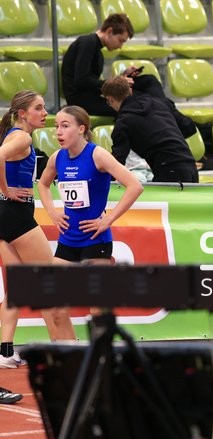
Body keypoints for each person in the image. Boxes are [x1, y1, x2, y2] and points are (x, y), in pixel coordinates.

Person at [0, 91, 76, 369]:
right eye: (38, 108)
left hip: (5, 216)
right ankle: (63, 354)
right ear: (22, 113)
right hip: (16, 216)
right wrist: (7, 190)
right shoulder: (22, 137)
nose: (45, 113)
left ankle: (5, 352)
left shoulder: (13, 135)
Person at [38, 106, 143, 265]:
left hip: (95, 240)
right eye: (56, 126)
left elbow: (135, 186)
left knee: (93, 282)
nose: (58, 132)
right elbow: (43, 184)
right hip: (67, 239)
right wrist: (52, 212)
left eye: (65, 126)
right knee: (56, 280)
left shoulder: (98, 155)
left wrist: (109, 219)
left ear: (81, 129)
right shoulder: (57, 157)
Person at [100, 76, 198, 184]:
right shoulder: (160, 102)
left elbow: (117, 163)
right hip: (191, 165)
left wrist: (99, 181)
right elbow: (189, 127)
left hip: (167, 169)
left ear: (110, 99)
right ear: (130, 90)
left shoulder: (123, 122)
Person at [61, 14, 135, 116]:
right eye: (120, 40)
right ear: (109, 31)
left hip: (88, 98)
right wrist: (115, 83)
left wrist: (122, 77)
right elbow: (82, 80)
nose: (120, 46)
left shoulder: (93, 45)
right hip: (80, 101)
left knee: (133, 103)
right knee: (130, 107)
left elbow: (90, 81)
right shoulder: (88, 43)